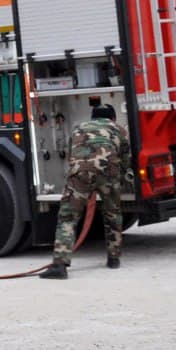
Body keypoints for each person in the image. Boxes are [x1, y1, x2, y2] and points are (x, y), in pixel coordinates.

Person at [40, 105, 128, 279]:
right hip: (109, 174)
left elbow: (73, 154)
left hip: (80, 174)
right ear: (113, 118)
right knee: (113, 215)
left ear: (92, 117)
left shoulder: (79, 128)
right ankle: (114, 258)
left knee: (68, 217)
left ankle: (60, 265)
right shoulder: (119, 129)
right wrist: (122, 176)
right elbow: (125, 157)